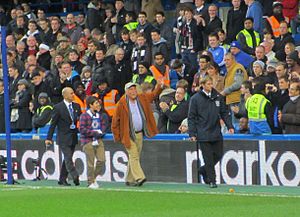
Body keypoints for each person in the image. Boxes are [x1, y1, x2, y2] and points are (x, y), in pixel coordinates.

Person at [111, 80, 164, 186]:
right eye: (131, 89)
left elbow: (152, 95)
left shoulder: (141, 98)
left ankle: (129, 179)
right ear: (126, 91)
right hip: (128, 134)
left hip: (139, 133)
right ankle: (140, 177)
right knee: (134, 155)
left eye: (134, 89)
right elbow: (115, 121)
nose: (133, 91)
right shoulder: (121, 103)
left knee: (135, 156)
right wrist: (117, 136)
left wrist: (159, 87)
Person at [188, 76, 234, 188]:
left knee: (218, 154)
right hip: (203, 132)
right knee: (208, 157)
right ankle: (212, 180)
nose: (210, 86)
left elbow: (224, 112)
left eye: (211, 83)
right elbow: (191, 117)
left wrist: (229, 126)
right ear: (202, 85)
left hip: (216, 131)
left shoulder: (217, 96)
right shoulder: (195, 99)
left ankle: (203, 170)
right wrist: (192, 133)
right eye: (208, 84)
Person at [45, 87, 81, 186]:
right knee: (68, 157)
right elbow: (53, 124)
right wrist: (49, 138)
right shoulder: (58, 107)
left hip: (73, 136)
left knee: (67, 159)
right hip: (63, 137)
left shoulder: (77, 106)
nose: (73, 95)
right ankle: (75, 176)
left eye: (73, 93)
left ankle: (62, 179)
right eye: (71, 93)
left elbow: (79, 121)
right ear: (64, 95)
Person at [79, 96, 109, 188]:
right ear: (91, 105)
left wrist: (101, 132)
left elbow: (104, 125)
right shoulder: (84, 116)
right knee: (90, 163)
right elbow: (82, 129)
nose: (98, 105)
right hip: (88, 141)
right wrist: (94, 133)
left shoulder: (100, 115)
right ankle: (90, 182)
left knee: (102, 160)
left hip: (98, 140)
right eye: (96, 103)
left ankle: (93, 178)